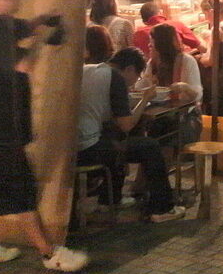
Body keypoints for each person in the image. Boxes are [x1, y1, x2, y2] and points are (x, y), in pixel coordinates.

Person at [0, 0, 88, 272]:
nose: (19, 0)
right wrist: (43, 45)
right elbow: (24, 67)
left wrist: (41, 21)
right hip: (0, 125)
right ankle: (50, 254)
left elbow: (18, 28)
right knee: (19, 188)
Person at [76, 47, 185, 223]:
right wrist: (145, 98)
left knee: (118, 140)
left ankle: (108, 200)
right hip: (88, 150)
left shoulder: (89, 69)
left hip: (71, 146)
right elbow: (126, 124)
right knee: (149, 146)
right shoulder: (116, 77)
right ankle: (162, 208)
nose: (134, 82)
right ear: (129, 69)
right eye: (137, 76)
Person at [147, 24, 203, 103]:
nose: (149, 45)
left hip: (185, 110)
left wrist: (185, 87)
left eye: (151, 41)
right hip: (159, 109)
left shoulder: (186, 60)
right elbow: (142, 86)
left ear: (161, 44)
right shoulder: (152, 63)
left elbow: (197, 95)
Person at [132, 1, 201, 57]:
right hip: (178, 69)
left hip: (153, 71)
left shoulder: (138, 34)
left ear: (144, 22)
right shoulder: (176, 25)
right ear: (161, 13)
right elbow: (200, 46)